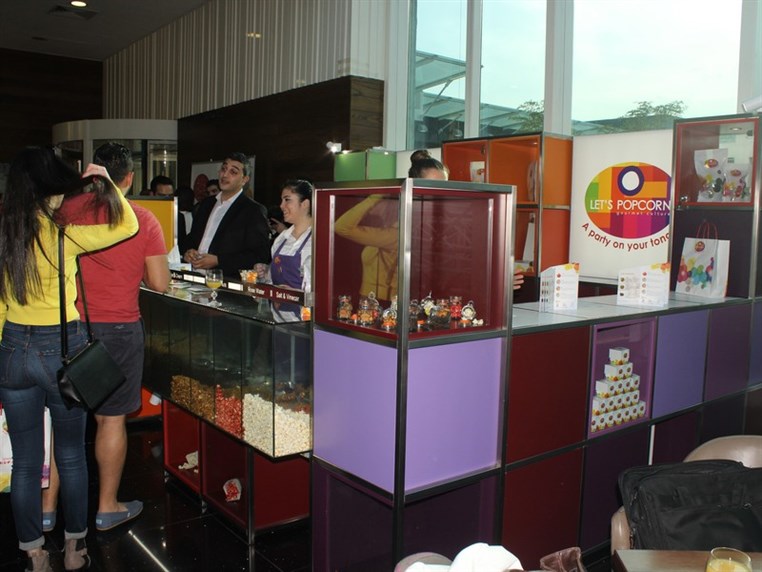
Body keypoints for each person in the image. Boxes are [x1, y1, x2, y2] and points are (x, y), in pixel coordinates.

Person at [0, 147, 139, 572]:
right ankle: (75, 548)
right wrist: (104, 181)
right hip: (61, 350)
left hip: (13, 349)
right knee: (71, 455)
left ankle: (33, 552)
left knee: (26, 463)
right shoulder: (62, 233)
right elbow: (128, 225)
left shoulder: (5, 234)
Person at [43, 142, 169, 535]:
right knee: (111, 420)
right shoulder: (141, 218)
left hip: (68, 327)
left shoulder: (64, 212)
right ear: (128, 178)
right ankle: (107, 507)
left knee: (63, 421)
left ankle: (46, 508)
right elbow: (160, 282)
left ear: (89, 173)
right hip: (119, 330)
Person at [181, 152, 270, 276]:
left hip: (225, 280)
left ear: (244, 179)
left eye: (233, 172)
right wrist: (188, 251)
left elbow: (260, 255)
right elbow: (192, 238)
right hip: (194, 276)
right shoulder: (206, 204)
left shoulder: (253, 211)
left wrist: (218, 260)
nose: (225, 175)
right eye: (223, 169)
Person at [264, 180, 313, 292]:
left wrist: (296, 294)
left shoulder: (318, 240)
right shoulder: (281, 239)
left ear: (305, 204)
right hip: (276, 304)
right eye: (282, 200)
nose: (281, 206)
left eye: (287, 200)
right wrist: (265, 272)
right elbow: (272, 280)